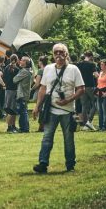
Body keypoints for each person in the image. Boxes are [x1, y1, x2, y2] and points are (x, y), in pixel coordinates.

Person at [32, 43, 85, 173]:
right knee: (47, 137)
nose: (58, 55)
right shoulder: (48, 69)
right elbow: (43, 89)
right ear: (53, 54)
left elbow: (81, 89)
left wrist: (68, 99)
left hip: (67, 110)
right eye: (56, 52)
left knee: (68, 139)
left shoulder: (73, 69)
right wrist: (37, 106)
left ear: (66, 54)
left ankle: (70, 165)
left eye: (61, 52)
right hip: (51, 110)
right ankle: (43, 164)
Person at [77, 51, 97, 131]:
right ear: (91, 56)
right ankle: (89, 121)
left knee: (84, 105)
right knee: (95, 103)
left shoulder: (79, 64)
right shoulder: (92, 64)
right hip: (90, 86)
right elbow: (96, 75)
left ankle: (85, 124)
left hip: (81, 86)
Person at [13, 56, 33, 133]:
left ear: (25, 62)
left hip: (22, 94)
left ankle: (24, 128)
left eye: (21, 60)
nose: (20, 61)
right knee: (23, 111)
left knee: (23, 112)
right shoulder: (28, 71)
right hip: (25, 93)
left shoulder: (24, 71)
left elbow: (14, 79)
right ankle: (23, 128)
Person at [3, 54, 20, 133]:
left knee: (9, 109)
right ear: (17, 60)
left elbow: (4, 78)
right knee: (12, 110)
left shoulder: (6, 68)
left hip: (7, 90)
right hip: (13, 90)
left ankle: (12, 126)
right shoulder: (17, 69)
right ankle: (10, 127)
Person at [95, 60, 106, 131]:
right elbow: (99, 82)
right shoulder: (100, 72)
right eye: (100, 64)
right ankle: (100, 126)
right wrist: (97, 91)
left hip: (105, 91)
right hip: (99, 91)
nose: (101, 66)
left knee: (105, 110)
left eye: (102, 64)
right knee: (100, 110)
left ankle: (105, 126)